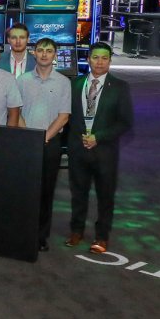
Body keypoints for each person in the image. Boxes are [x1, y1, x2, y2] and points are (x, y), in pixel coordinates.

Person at [66, 42, 133, 254]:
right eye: (95, 57)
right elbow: (67, 117)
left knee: (105, 196)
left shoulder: (120, 87)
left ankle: (102, 237)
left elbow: (125, 122)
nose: (100, 62)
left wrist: (99, 137)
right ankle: (76, 231)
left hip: (105, 153)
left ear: (110, 61)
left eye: (104, 58)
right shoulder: (75, 84)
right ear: (88, 59)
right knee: (78, 194)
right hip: (78, 151)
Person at [17, 38, 73, 252]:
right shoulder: (22, 80)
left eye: (49, 51)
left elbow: (64, 116)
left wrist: (44, 138)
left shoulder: (63, 82)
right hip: (26, 141)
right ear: (34, 53)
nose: (44, 54)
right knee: (24, 189)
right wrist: (29, 136)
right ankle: (21, 231)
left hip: (51, 143)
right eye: (40, 50)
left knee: (46, 191)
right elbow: (16, 111)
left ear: (55, 55)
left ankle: (40, 236)